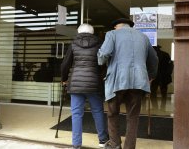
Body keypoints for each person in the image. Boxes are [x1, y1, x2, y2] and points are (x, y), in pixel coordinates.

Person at [97, 18, 158, 149]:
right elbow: (154, 59)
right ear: (130, 26)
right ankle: (129, 147)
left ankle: (115, 144)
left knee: (113, 113)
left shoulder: (112, 34)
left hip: (117, 81)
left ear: (116, 27)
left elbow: (104, 55)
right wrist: (151, 76)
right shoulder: (143, 37)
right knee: (133, 116)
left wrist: (100, 59)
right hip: (139, 81)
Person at [61, 23, 108, 149]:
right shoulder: (100, 43)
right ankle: (103, 140)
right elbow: (104, 63)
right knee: (98, 111)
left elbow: (65, 64)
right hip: (94, 83)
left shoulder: (73, 44)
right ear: (92, 33)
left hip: (76, 83)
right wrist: (101, 76)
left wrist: (64, 79)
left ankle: (76, 145)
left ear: (79, 32)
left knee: (76, 114)